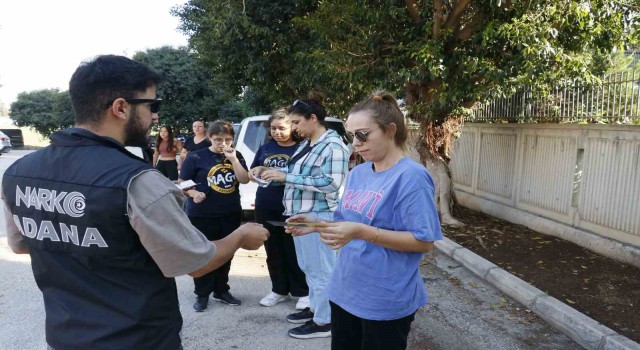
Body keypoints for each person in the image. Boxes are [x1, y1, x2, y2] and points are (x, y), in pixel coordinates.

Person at [1, 55, 269, 350]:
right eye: (152, 106)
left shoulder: (18, 172)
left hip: (64, 337)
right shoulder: (138, 180)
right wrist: (241, 235)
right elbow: (196, 262)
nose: (155, 116)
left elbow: (20, 244)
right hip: (137, 338)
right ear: (120, 107)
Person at [287, 91, 443, 350]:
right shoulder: (358, 173)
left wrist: (363, 232)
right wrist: (315, 224)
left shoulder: (411, 177)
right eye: (351, 136)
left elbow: (423, 242)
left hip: (384, 299)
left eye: (362, 134)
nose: (355, 143)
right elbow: (345, 222)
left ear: (390, 130)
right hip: (344, 290)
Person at [260, 94, 349, 339]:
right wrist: (272, 171)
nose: (294, 128)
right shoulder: (308, 143)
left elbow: (332, 183)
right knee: (310, 268)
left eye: (297, 122)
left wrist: (285, 177)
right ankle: (316, 309)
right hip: (303, 216)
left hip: (319, 216)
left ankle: (324, 322)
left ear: (313, 118)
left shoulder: (333, 145)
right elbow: (294, 170)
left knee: (322, 271)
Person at [179, 120, 250, 312]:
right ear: (210, 138)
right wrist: (194, 194)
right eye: (218, 139)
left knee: (226, 253)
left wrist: (234, 159)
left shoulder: (237, 155)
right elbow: (182, 182)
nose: (223, 144)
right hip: (202, 215)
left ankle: (221, 290)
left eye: (228, 140)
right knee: (203, 254)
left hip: (230, 213)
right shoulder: (195, 157)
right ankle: (202, 294)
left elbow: (244, 179)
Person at [248, 108, 309, 309]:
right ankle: (279, 290)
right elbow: (253, 171)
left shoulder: (303, 148)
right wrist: (256, 170)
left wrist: (274, 171)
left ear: (292, 126)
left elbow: (302, 176)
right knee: (273, 249)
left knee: (294, 250)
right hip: (265, 204)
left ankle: (302, 292)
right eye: (273, 128)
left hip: (292, 207)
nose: (277, 132)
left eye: (281, 128)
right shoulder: (265, 148)